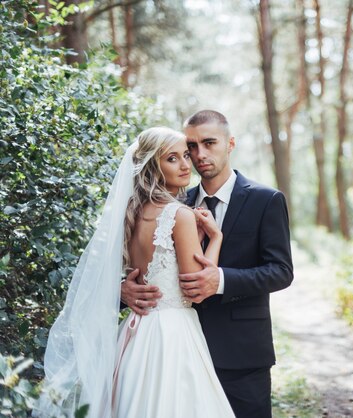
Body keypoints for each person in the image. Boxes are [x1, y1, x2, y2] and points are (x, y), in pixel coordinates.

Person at [37, 127, 235, 418]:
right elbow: (195, 289)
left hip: (136, 334)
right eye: (171, 158)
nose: (185, 165)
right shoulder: (180, 215)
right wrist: (215, 238)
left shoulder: (131, 213)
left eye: (184, 156)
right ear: (152, 166)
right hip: (172, 334)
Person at [121, 110, 294, 418]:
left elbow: (281, 271)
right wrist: (123, 290)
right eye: (191, 147)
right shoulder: (174, 202)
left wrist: (222, 280)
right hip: (172, 353)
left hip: (241, 353)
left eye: (209, 143)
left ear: (230, 144)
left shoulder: (266, 200)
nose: (199, 155)